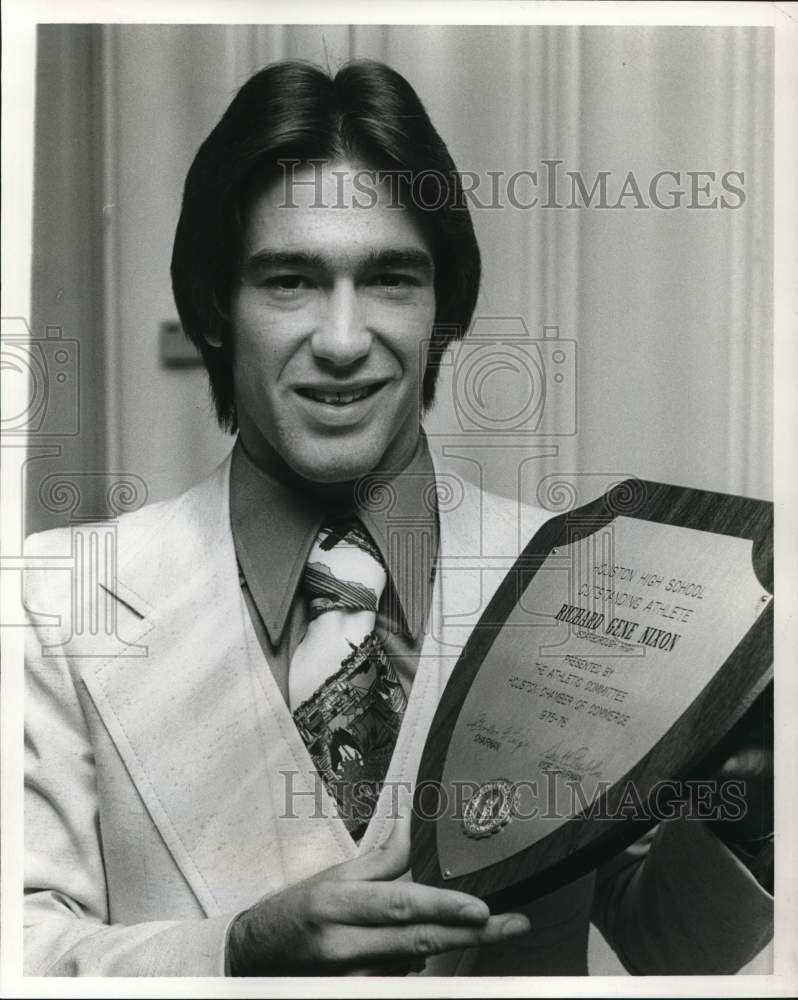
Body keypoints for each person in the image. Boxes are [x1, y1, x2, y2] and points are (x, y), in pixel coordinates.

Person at [23, 58, 773, 977]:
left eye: (390, 279)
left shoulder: (572, 578)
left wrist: (753, 809)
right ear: (219, 308)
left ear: (442, 310)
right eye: (290, 280)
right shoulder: (62, 602)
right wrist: (238, 950)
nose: (343, 342)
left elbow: (667, 943)